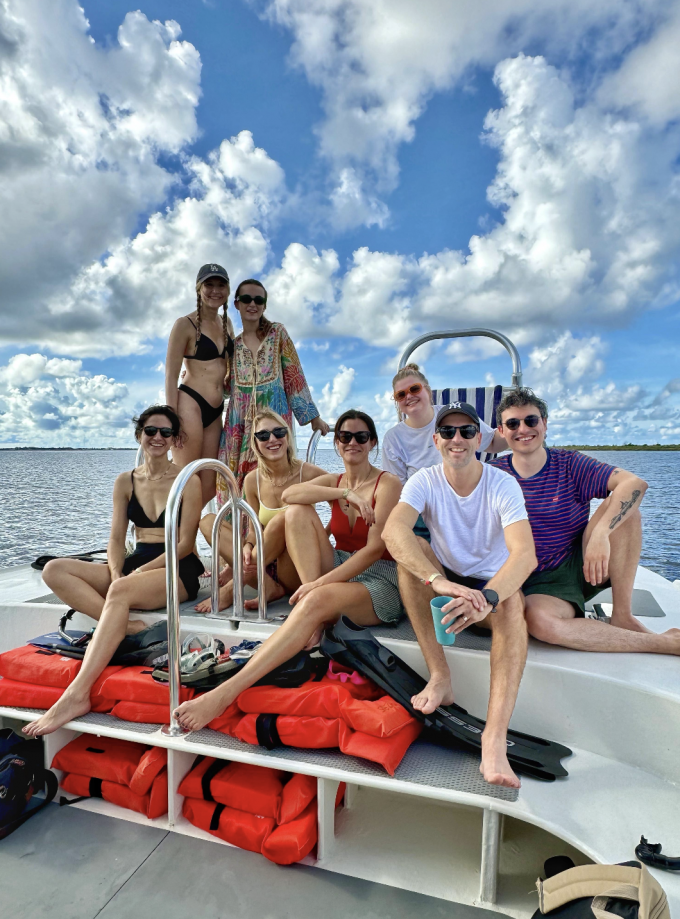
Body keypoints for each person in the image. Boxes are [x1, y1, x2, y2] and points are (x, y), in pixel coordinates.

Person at [173, 409, 403, 732]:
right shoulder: (336, 482)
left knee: (314, 599)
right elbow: (289, 496)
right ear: (336, 445)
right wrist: (343, 493)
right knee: (295, 512)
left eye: (361, 437)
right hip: (341, 565)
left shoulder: (387, 484)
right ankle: (307, 607)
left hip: (380, 578)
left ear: (372, 443)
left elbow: (374, 551)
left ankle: (225, 693)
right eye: (345, 437)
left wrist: (318, 585)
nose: (353, 443)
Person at [382, 402, 537, 788]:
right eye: (448, 432)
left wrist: (487, 597)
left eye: (467, 431)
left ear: (480, 439)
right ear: (435, 440)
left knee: (514, 604)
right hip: (450, 578)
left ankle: (494, 737)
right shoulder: (425, 480)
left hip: (492, 585)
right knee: (408, 560)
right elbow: (393, 532)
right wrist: (437, 580)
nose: (457, 439)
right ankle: (440, 676)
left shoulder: (501, 484)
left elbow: (524, 554)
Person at [25, 406, 204, 736]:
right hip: (136, 564)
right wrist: (116, 570)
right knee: (54, 570)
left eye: (166, 432)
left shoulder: (187, 481)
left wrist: (133, 577)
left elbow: (184, 545)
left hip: (176, 568)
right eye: (151, 431)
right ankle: (129, 626)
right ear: (140, 435)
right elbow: (115, 538)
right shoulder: (125, 481)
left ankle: (77, 695)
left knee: (120, 590)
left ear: (175, 439)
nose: (158, 438)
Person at [493, 389, 680, 656]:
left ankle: (623, 615)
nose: (523, 429)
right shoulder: (494, 475)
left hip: (582, 563)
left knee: (627, 511)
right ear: (502, 431)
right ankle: (664, 643)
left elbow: (635, 483)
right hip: (536, 580)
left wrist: (602, 534)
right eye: (513, 423)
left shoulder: (570, 463)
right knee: (539, 623)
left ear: (544, 424)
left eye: (531, 420)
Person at [195, 408, 326, 613]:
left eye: (279, 432)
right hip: (262, 566)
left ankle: (232, 588)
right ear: (256, 443)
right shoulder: (252, 480)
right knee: (209, 521)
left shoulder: (308, 473)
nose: (272, 439)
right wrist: (248, 545)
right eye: (263, 435)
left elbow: (341, 504)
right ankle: (268, 587)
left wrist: (323, 535)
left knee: (284, 518)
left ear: (287, 435)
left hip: (292, 567)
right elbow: (254, 528)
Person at [217, 278, 328, 502]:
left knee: (276, 479)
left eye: (259, 300)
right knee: (237, 483)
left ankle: (279, 531)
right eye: (246, 299)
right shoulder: (232, 345)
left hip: (275, 419)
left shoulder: (277, 334)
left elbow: (294, 374)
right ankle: (241, 535)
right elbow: (227, 386)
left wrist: (313, 417)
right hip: (239, 425)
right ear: (237, 304)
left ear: (265, 305)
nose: (253, 304)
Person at [165, 263, 235, 506]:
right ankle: (172, 540)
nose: (215, 290)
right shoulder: (184, 324)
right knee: (185, 481)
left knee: (208, 487)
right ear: (198, 288)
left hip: (216, 410)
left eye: (220, 285)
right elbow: (170, 373)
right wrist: (172, 418)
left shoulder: (227, 324)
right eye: (209, 284)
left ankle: (187, 540)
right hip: (190, 403)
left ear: (227, 290)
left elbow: (233, 366)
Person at [382, 363, 507, 484]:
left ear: (428, 391)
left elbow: (492, 442)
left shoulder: (453, 414)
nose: (408, 396)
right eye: (401, 394)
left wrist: (518, 427)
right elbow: (397, 488)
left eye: (414, 389)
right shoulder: (393, 439)